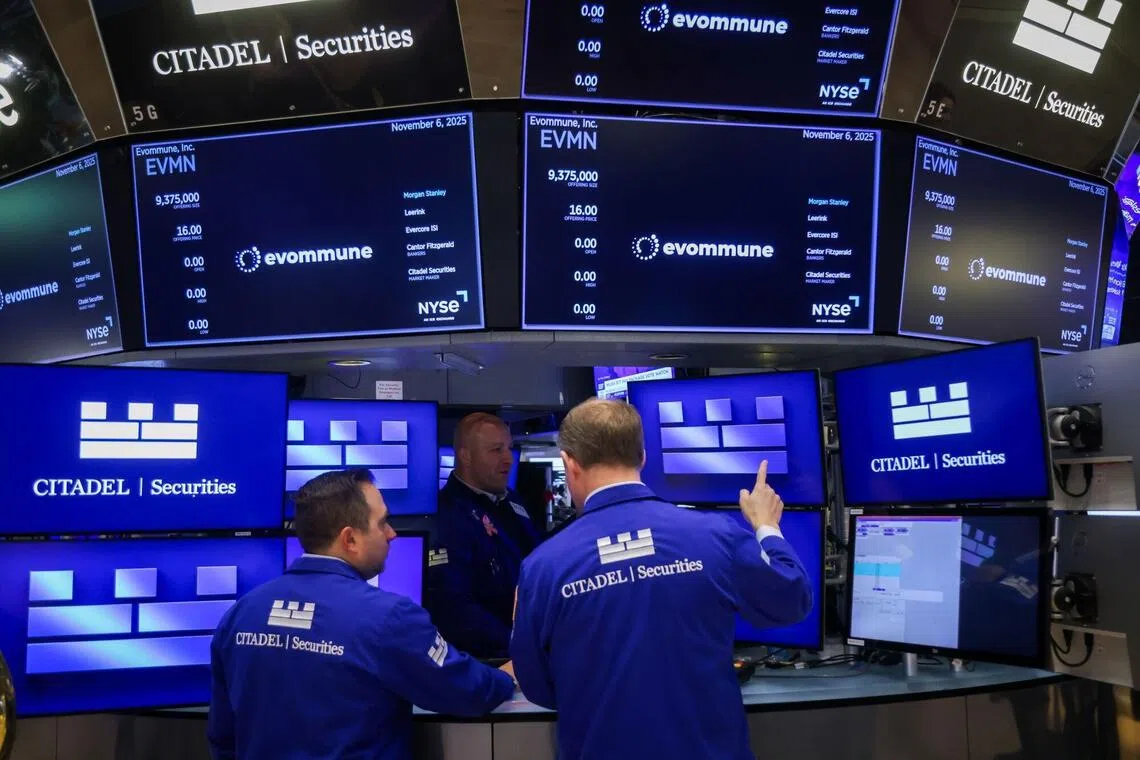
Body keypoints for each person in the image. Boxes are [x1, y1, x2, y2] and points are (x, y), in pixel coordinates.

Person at [510, 399, 812, 760]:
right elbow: (791, 600)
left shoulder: (542, 566)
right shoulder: (715, 535)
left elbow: (538, 686)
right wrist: (766, 526)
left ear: (569, 463)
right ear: (643, 456)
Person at [208, 469, 515, 760]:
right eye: (382, 523)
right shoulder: (389, 617)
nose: (392, 534)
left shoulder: (241, 613)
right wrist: (505, 676)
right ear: (350, 539)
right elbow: (464, 691)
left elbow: (223, 738)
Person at [427, 413, 541, 658]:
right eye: (496, 450)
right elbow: (454, 608)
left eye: (509, 448)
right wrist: (518, 644)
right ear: (466, 456)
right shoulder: (445, 516)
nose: (508, 459)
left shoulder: (512, 501)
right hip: (488, 659)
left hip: (530, 643)